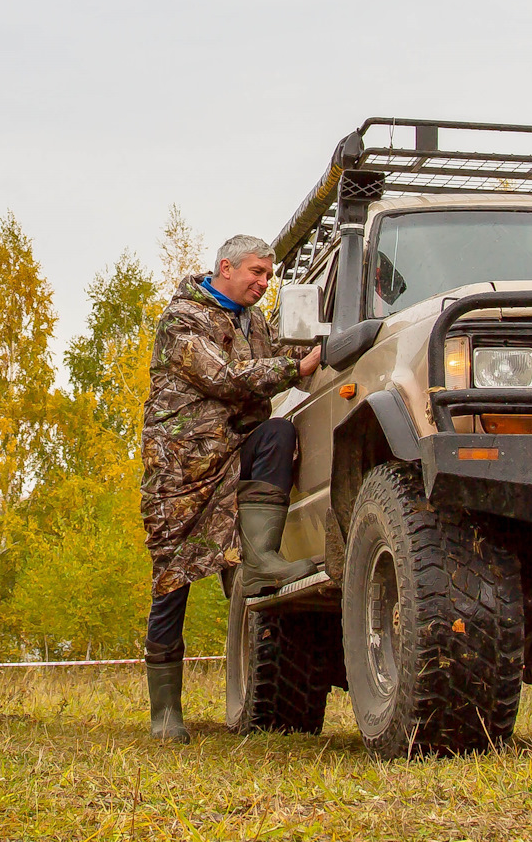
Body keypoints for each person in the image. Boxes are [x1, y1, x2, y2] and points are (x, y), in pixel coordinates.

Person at [139, 234, 321, 743]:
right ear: (226, 267)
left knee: (279, 433)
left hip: (237, 452)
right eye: (256, 273)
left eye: (268, 276)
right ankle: (165, 712)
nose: (263, 283)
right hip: (183, 469)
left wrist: (321, 341)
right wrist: (294, 368)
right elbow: (225, 377)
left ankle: (261, 559)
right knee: (172, 582)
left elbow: (283, 352)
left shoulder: (253, 321)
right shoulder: (182, 319)